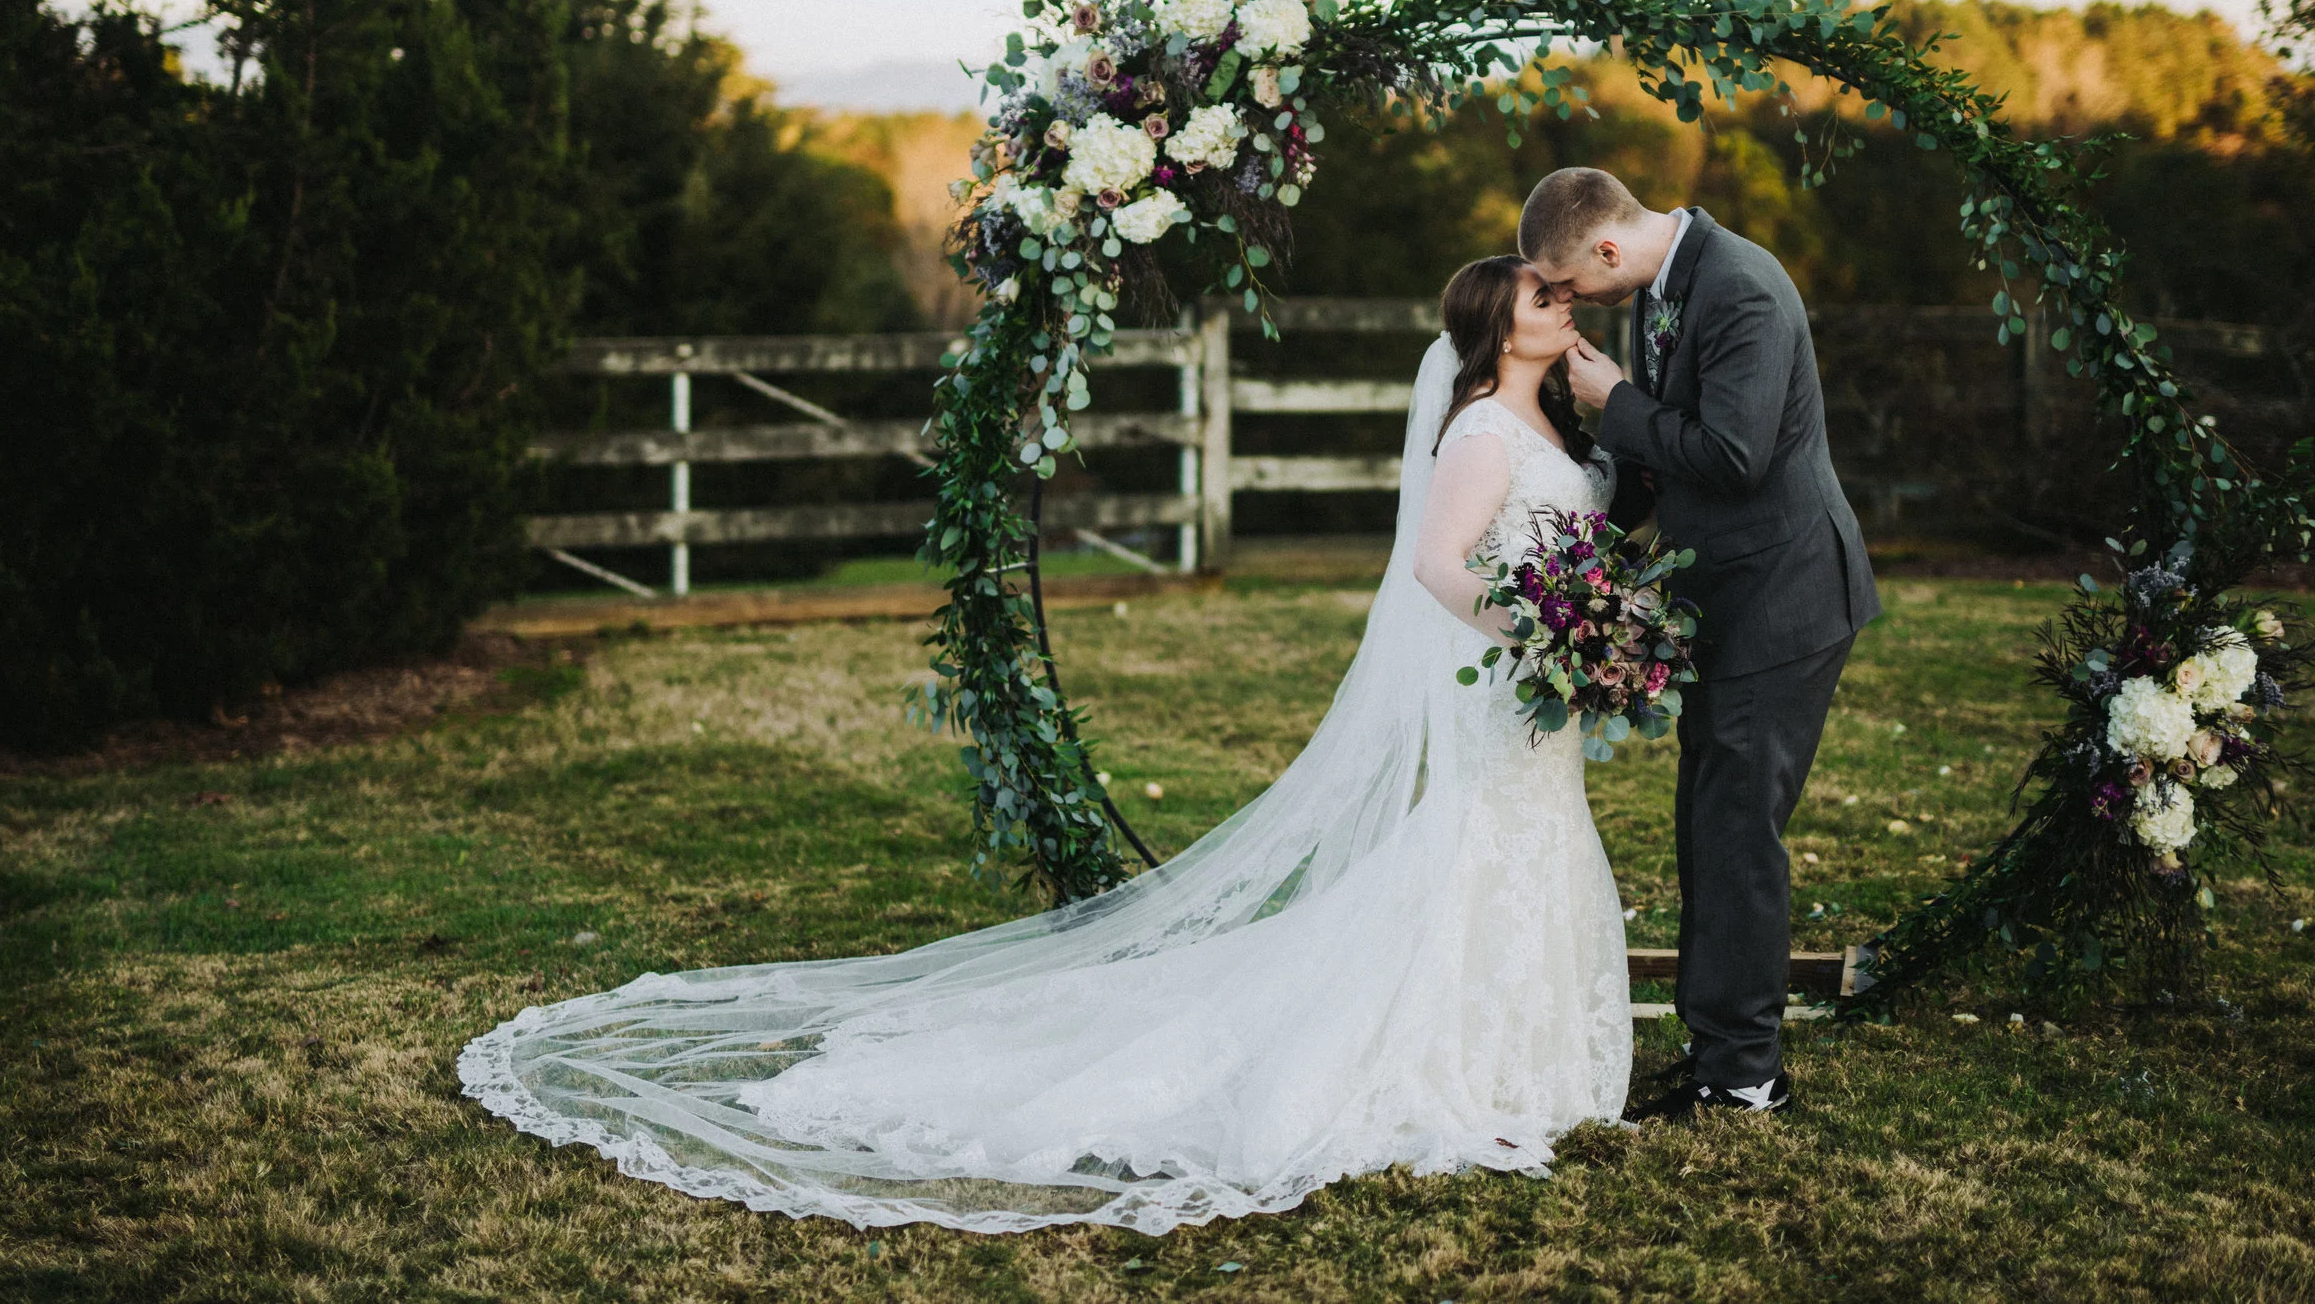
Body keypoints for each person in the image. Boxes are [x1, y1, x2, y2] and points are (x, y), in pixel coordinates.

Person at [460, 256, 1638, 1233]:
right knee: (1494, 837)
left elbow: (1567, 532)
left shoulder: (1551, 417)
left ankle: (1520, 1057)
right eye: (1542, 295)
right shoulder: (1480, 430)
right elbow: (1440, 565)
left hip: (1543, 684)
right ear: (1496, 325)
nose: (1561, 300)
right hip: (1513, 675)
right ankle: (1466, 1064)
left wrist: (1592, 605)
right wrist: (1542, 634)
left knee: (1522, 835)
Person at [1520, 166, 1879, 1118]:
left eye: (1570, 286)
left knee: (1737, 832)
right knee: (1709, 821)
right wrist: (1587, 547)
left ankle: (1746, 1075)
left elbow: (1732, 454)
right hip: (1724, 590)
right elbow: (1669, 448)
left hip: (1782, 597)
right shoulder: (1665, 284)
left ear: (1607, 249)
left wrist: (1615, 401)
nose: (1570, 306)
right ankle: (1721, 1049)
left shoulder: (1743, 288)